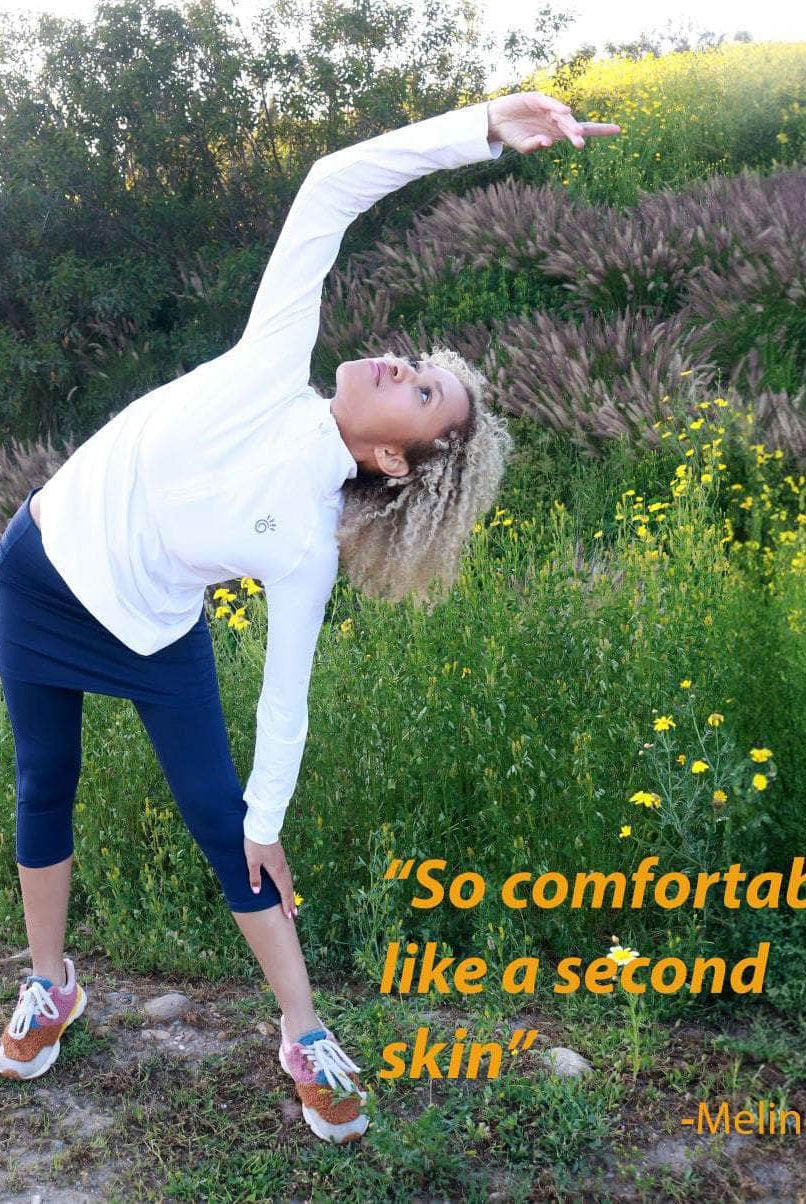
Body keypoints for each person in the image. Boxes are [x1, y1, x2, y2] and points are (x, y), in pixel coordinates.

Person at [0, 91, 620, 1142]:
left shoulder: (301, 544)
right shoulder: (266, 363)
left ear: (389, 459)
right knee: (43, 780)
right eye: (420, 364)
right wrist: (480, 129)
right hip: (38, 571)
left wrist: (267, 817)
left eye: (420, 394)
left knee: (229, 833)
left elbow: (285, 698)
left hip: (153, 630)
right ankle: (50, 981)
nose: (399, 364)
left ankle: (301, 1031)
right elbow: (331, 186)